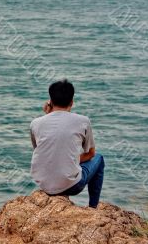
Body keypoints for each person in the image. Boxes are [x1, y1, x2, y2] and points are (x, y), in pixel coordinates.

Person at [30, 79, 105, 208]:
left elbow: (45, 153)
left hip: (44, 186)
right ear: (72, 102)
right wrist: (71, 159)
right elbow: (91, 154)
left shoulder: (35, 123)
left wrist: (48, 114)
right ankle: (93, 207)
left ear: (50, 101)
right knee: (99, 159)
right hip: (73, 187)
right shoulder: (83, 121)